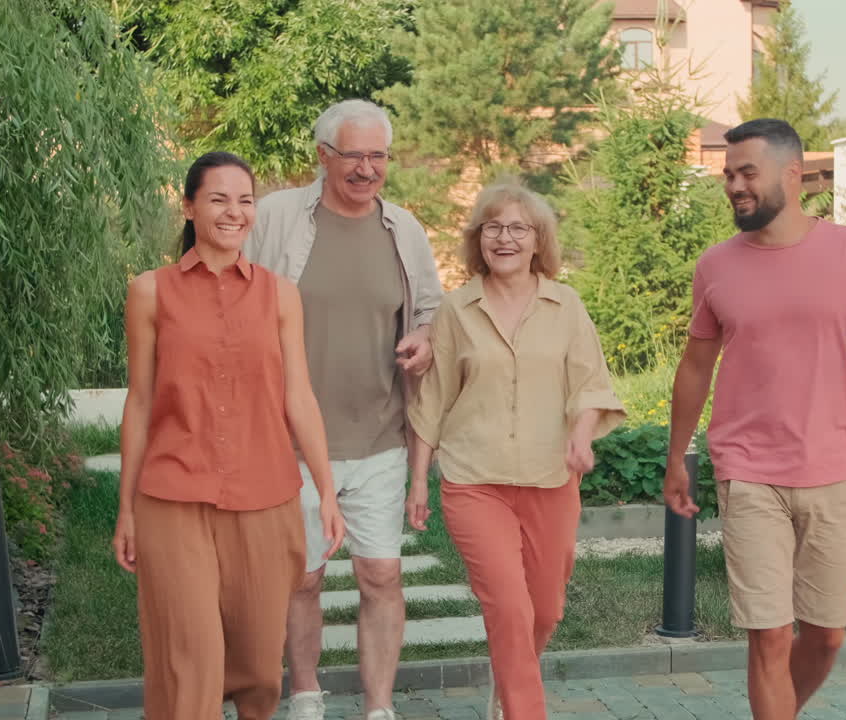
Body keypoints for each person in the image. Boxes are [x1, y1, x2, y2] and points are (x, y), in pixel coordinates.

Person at [662, 119, 846, 720]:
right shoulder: (715, 264)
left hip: (830, 465)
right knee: (768, 634)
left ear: (792, 175)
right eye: (728, 175)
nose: (734, 186)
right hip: (747, 469)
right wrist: (677, 455)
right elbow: (695, 366)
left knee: (825, 635)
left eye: (748, 173)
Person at [112, 151, 340, 720]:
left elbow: (299, 397)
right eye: (218, 199)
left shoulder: (280, 294)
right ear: (189, 207)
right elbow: (140, 403)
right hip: (172, 497)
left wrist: (327, 491)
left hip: (265, 497)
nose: (234, 212)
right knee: (191, 658)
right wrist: (126, 508)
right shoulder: (149, 292)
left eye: (245, 200)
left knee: (260, 669)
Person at [245, 99, 443, 720]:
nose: (365, 168)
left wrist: (426, 339)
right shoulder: (277, 217)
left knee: (380, 578)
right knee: (302, 579)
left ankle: (378, 708)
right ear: (323, 155)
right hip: (290, 440)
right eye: (352, 154)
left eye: (377, 155)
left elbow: (432, 310)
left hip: (382, 436)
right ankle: (306, 696)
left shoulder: (404, 229)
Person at [407, 182, 626, 720]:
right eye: (493, 227)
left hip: (551, 477)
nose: (504, 238)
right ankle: (524, 709)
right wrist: (417, 484)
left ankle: (508, 684)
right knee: (507, 605)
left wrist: (580, 434)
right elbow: (432, 400)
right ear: (478, 238)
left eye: (517, 228)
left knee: (545, 609)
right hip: (474, 478)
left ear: (538, 240)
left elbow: (590, 385)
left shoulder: (565, 304)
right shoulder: (456, 310)